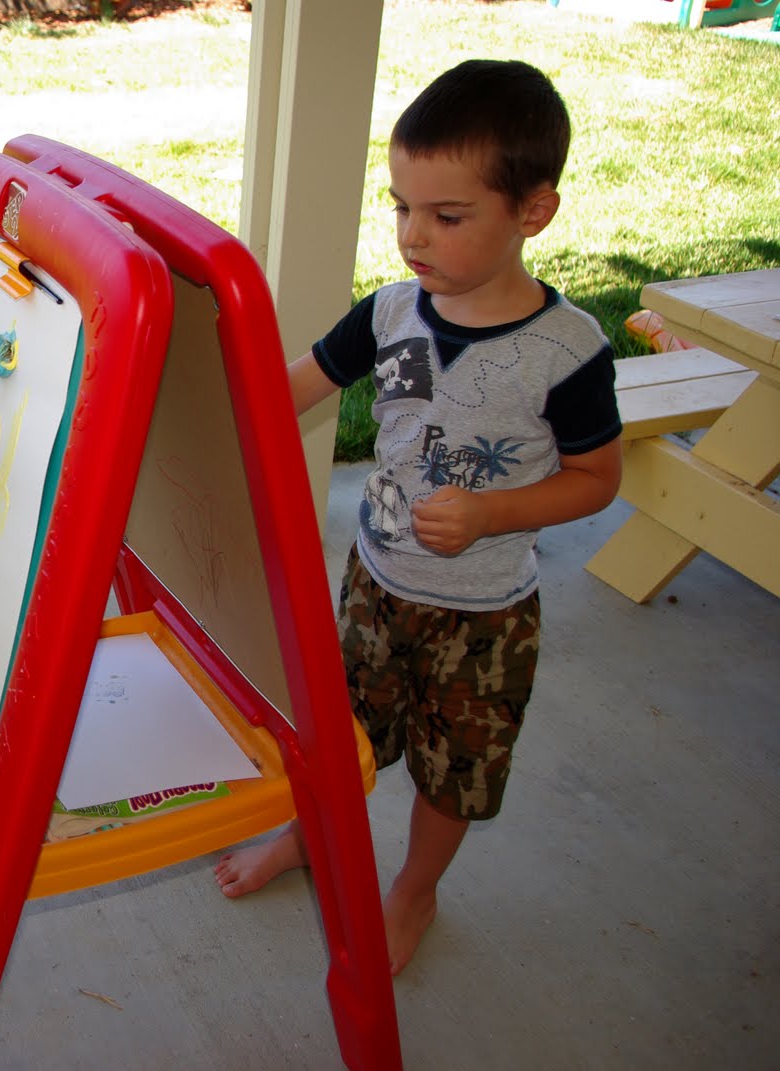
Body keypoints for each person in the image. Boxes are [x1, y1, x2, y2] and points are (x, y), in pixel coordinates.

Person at [213, 59, 623, 976]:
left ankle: (416, 888)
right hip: (375, 583)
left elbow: (597, 478)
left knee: (454, 772)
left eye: (445, 216)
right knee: (339, 737)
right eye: (400, 206)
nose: (410, 235)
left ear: (533, 212)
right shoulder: (396, 315)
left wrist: (494, 511)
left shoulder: (564, 353)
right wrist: (200, 400)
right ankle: (310, 834)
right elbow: (297, 391)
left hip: (485, 615)